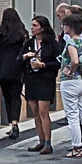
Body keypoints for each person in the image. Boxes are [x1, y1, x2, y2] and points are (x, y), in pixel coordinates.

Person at [59, 13, 82, 157]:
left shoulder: (71, 43)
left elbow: (74, 60)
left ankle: (76, 146)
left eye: (64, 25)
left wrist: (70, 71)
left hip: (71, 82)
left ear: (69, 27)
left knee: (72, 116)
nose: (63, 27)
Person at [23, 15, 59, 153]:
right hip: (31, 78)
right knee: (35, 111)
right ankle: (41, 140)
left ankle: (48, 142)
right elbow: (19, 58)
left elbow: (58, 61)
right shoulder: (29, 43)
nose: (32, 28)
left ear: (42, 28)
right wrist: (25, 57)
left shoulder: (51, 43)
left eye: (35, 26)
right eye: (32, 25)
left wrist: (43, 64)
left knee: (44, 110)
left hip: (45, 79)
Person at [0, 8, 28, 140]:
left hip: (3, 69)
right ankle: (15, 122)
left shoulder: (0, 33)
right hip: (17, 68)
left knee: (7, 96)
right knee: (16, 96)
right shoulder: (22, 34)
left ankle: (10, 122)